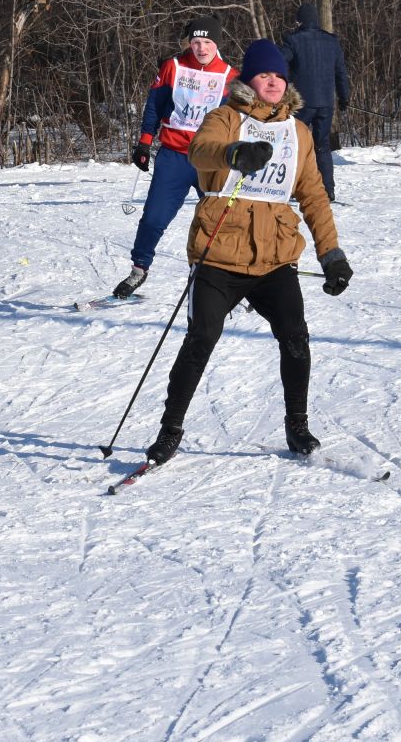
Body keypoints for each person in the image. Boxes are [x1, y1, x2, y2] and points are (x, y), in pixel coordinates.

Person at [141, 39, 352, 465]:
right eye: (263, 75)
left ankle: (297, 425)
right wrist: (232, 152)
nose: (272, 82)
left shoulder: (299, 131)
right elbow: (200, 151)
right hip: (220, 253)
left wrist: (331, 255)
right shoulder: (226, 117)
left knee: (295, 336)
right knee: (202, 337)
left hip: (274, 257)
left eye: (278, 76)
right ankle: (170, 430)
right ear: (248, 81)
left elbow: (312, 195)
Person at [113, 16, 237, 299]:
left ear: (216, 44)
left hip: (212, 159)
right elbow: (154, 105)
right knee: (154, 217)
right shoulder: (174, 67)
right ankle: (138, 270)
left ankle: (230, 275)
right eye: (196, 42)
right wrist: (144, 143)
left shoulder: (231, 76)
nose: (201, 48)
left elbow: (240, 119)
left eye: (207, 42)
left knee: (223, 220)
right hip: (175, 156)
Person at [278, 1, 350, 200]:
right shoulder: (332, 41)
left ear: (299, 20)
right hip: (326, 103)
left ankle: (294, 188)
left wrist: (283, 85)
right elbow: (341, 73)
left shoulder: (293, 40)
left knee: (297, 145)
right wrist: (344, 97)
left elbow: (280, 62)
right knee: (323, 146)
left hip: (302, 102)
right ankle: (328, 190)